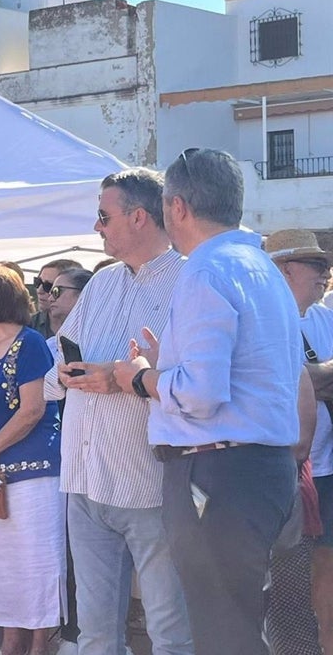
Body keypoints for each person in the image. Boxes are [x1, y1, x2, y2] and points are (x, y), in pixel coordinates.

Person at [111, 148, 301, 655]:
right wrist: (164, 366)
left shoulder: (206, 270)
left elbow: (200, 395)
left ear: (176, 208)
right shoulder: (260, 267)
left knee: (224, 635)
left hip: (217, 475)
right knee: (244, 628)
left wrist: (141, 378)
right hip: (256, 469)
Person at [46, 167, 192, 655]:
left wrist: (130, 377)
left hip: (148, 482)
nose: (97, 227)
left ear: (138, 217)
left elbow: (197, 381)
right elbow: (57, 362)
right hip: (84, 479)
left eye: (103, 216)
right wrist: (67, 375)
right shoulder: (102, 282)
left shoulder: (188, 280)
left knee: (168, 628)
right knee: (95, 632)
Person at [0, 265, 64, 655]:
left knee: (37, 561)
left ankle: (40, 646)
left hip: (33, 474)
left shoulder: (31, 343)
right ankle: (10, 643)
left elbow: (32, 410)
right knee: (0, 563)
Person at [263, 228, 326, 653]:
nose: (326, 273)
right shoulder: (262, 322)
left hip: (326, 473)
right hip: (281, 475)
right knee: (281, 585)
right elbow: (278, 386)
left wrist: (311, 377)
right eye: (316, 265)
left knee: (324, 579)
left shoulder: (325, 318)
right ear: (285, 270)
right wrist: (315, 376)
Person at [29, 259, 83, 338]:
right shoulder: (27, 325)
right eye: (37, 282)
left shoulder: (91, 327)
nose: (39, 291)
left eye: (49, 286)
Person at [45, 268, 92, 337]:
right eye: (51, 293)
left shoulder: (103, 335)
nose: (50, 299)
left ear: (82, 293)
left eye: (56, 291)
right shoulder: (52, 345)